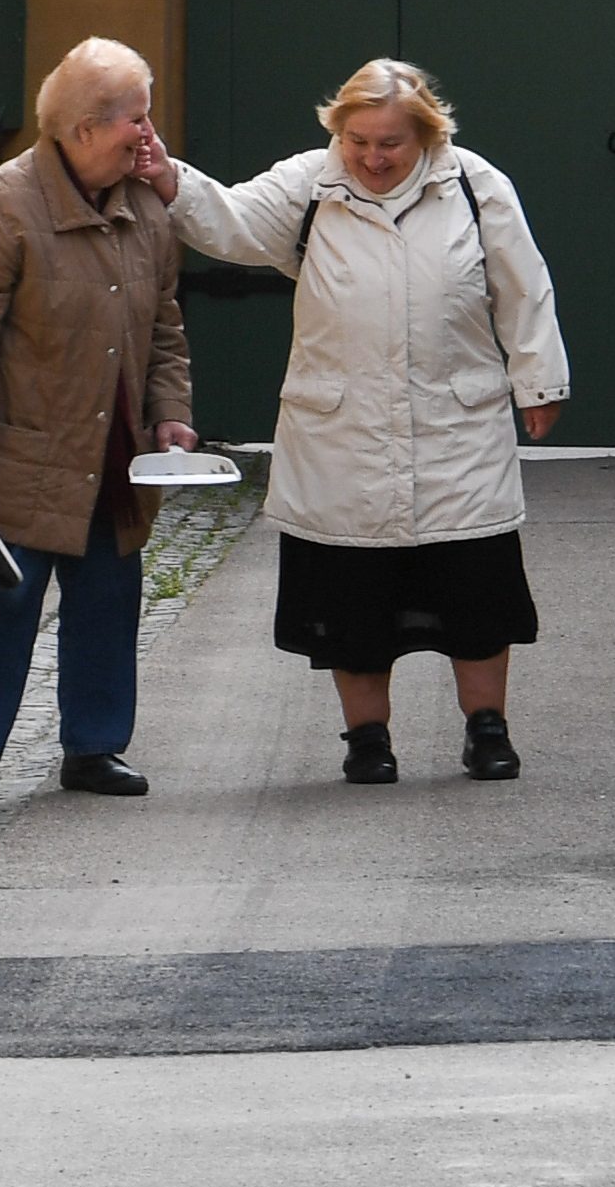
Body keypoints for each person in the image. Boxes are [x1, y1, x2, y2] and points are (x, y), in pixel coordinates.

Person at [146, 58, 568, 785]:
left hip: (454, 426)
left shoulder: (474, 184)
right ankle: (367, 738)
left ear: (427, 136)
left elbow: (522, 286)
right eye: (358, 140)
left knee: (474, 587)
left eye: (390, 144)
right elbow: (234, 219)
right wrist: (169, 178)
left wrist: (540, 380)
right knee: (355, 592)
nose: (372, 157)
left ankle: (486, 728)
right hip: (341, 430)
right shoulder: (311, 183)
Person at [0, 36, 202, 813]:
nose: (147, 135)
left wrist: (171, 417)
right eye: (134, 122)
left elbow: (165, 329)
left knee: (108, 603)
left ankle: (94, 745)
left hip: (114, 453)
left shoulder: (144, 208)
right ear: (82, 128)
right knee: (0, 606)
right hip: (19, 451)